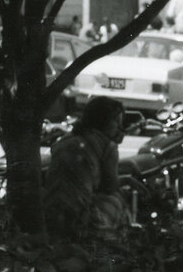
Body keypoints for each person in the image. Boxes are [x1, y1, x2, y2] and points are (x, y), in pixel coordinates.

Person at [43, 95, 129, 240]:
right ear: (103, 121)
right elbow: (110, 186)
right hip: (80, 220)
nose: (120, 127)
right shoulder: (107, 146)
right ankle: (115, 240)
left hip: (49, 215)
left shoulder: (66, 139)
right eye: (116, 122)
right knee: (117, 199)